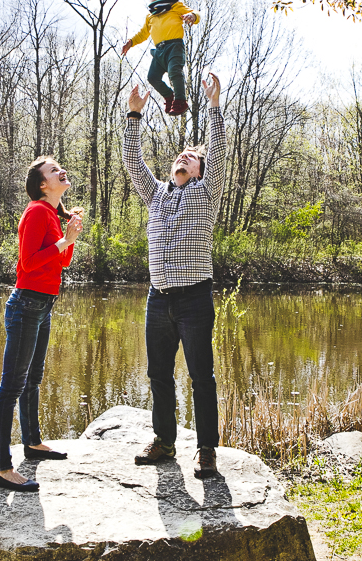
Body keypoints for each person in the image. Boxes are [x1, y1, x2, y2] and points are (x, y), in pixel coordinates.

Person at [122, 72, 226, 479]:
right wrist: (134, 115)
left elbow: (217, 152)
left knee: (202, 377)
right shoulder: (156, 194)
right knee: (157, 374)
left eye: (191, 157)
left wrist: (213, 106)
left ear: (201, 170)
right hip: (158, 298)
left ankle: (206, 450)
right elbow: (132, 161)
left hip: (195, 299)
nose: (183, 157)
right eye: (179, 155)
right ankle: (165, 442)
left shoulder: (206, 192)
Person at [0, 157, 83, 492]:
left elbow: (61, 262)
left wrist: (69, 238)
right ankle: (2, 467)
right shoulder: (36, 211)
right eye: (53, 170)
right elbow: (28, 264)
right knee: (11, 386)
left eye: (62, 167)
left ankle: (32, 443)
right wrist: (62, 241)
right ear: (42, 184)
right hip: (26, 304)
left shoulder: (54, 215)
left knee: (33, 379)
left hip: (43, 304)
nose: (61, 170)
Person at [121, 0, 200, 117]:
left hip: (174, 46)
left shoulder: (176, 7)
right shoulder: (151, 16)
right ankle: (169, 96)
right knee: (152, 77)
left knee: (174, 71)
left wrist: (192, 16)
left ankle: (180, 100)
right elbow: (143, 34)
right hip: (159, 51)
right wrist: (131, 42)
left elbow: (194, 12)